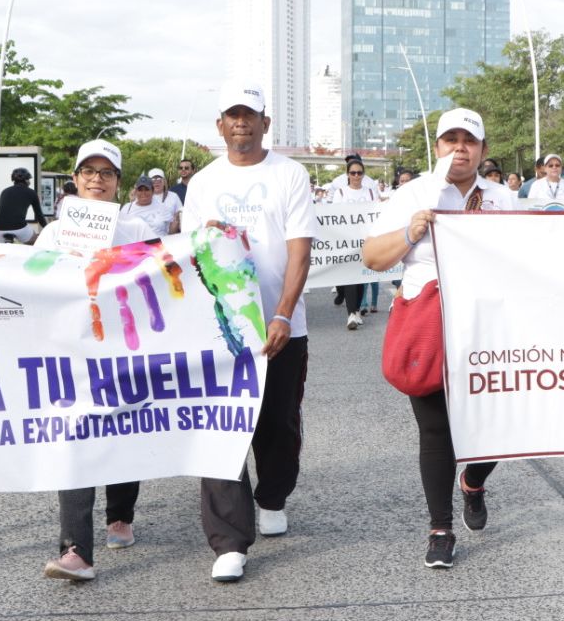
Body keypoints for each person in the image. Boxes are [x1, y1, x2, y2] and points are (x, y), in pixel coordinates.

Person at [360, 108, 518, 568]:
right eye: (451, 139)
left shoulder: (503, 199)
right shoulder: (413, 193)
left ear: (483, 150)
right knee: (435, 430)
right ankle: (440, 529)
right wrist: (410, 231)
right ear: (438, 147)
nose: (459, 148)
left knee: (500, 423)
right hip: (429, 321)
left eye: (469, 140)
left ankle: (474, 481)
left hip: (488, 326)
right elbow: (372, 257)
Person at [182, 84, 318, 582]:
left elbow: (300, 249)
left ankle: (273, 496)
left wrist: (282, 314)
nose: (241, 122)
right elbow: (191, 253)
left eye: (250, 115)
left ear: (265, 123)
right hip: (222, 329)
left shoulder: (289, 174)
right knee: (222, 427)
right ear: (220, 125)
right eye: (232, 115)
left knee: (279, 425)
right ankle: (229, 541)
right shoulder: (203, 183)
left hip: (282, 325)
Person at [41, 140, 160, 583]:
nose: (96, 179)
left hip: (123, 348)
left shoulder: (136, 230)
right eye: (88, 171)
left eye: (106, 173)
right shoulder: (54, 233)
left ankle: (120, 515)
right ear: (75, 179)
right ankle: (75, 550)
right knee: (73, 441)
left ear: (118, 183)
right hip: (70, 351)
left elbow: (159, 283)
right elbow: (30, 281)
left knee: (123, 434)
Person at [327, 158, 382, 329]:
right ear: (347, 175)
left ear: (363, 174)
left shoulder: (371, 193)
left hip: (366, 241)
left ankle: (357, 310)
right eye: (353, 173)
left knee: (360, 278)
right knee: (349, 276)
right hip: (346, 241)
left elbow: (377, 213)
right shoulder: (341, 193)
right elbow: (334, 216)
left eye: (359, 173)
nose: (356, 176)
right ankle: (351, 314)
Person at [0, 166, 46, 243]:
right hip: (19, 227)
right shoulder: (31, 193)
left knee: (2, 249)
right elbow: (39, 215)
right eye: (29, 179)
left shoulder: (4, 191)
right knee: (36, 241)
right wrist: (47, 227)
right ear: (26, 180)